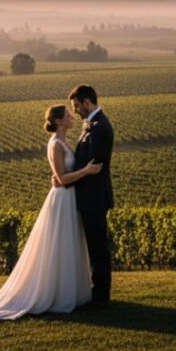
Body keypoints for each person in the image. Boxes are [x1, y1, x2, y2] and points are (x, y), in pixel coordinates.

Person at [0, 104, 101, 320]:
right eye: (67, 115)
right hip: (62, 199)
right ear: (57, 121)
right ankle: (53, 294)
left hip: (70, 199)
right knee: (59, 244)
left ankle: (69, 292)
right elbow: (63, 180)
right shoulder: (55, 144)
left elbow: (65, 175)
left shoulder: (65, 141)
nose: (71, 116)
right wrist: (87, 171)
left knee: (68, 244)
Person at [54, 84, 114, 306]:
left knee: (98, 247)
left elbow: (94, 165)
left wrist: (68, 176)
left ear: (87, 102)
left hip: (95, 197)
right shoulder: (91, 125)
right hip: (88, 196)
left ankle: (101, 295)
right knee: (93, 245)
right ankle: (96, 290)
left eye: (77, 106)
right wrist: (64, 175)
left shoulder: (99, 127)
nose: (76, 111)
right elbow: (83, 163)